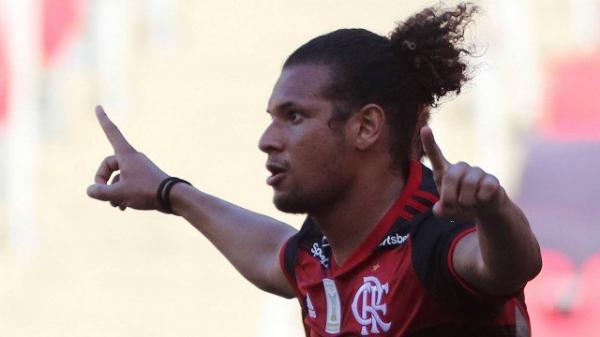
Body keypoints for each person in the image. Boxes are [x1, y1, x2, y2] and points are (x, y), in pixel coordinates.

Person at [87, 3, 542, 336]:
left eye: (294, 116)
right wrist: (169, 192)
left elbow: (510, 265)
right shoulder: (320, 251)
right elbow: (272, 254)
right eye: (271, 118)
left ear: (365, 127)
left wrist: (495, 209)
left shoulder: (437, 232)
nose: (267, 139)